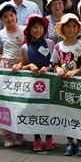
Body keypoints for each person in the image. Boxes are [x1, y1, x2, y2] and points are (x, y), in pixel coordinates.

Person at [51, 13, 81, 156]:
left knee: (79, 113)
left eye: (74, 26)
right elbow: (54, 63)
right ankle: (70, 141)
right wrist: (59, 69)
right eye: (68, 26)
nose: (71, 29)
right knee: (67, 113)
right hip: (64, 86)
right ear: (63, 29)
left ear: (78, 28)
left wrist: (77, 71)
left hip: (79, 85)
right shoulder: (58, 46)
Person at [0, 3, 27, 148]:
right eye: (5, 17)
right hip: (5, 69)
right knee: (5, 103)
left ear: (16, 15)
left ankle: (20, 133)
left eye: (11, 15)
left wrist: (23, 64)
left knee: (19, 103)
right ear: (1, 19)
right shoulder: (0, 34)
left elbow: (28, 50)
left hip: (21, 68)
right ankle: (7, 135)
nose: (9, 18)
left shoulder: (25, 31)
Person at [20, 13, 56, 151]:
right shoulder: (24, 48)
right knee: (35, 110)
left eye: (41, 26)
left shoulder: (50, 43)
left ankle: (49, 136)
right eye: (34, 27)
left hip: (49, 83)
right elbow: (22, 66)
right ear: (29, 29)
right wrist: (30, 66)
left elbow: (55, 63)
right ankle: (36, 137)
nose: (38, 30)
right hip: (33, 86)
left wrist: (48, 68)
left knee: (48, 109)